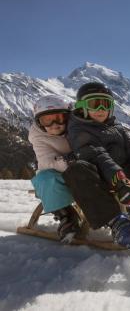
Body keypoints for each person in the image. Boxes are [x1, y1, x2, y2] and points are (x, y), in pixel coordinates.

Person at [62, 82, 130, 248]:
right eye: (95, 104)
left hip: (119, 175)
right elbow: (98, 156)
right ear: (82, 106)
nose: (101, 109)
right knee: (77, 170)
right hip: (98, 179)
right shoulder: (79, 129)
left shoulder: (114, 125)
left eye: (106, 104)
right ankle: (115, 220)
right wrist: (120, 181)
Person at [29, 95, 81, 243]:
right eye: (47, 120)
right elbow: (47, 163)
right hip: (56, 174)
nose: (54, 124)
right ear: (39, 123)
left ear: (67, 117)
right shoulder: (38, 137)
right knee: (46, 179)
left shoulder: (75, 127)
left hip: (82, 171)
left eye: (59, 118)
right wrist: (67, 161)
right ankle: (67, 218)